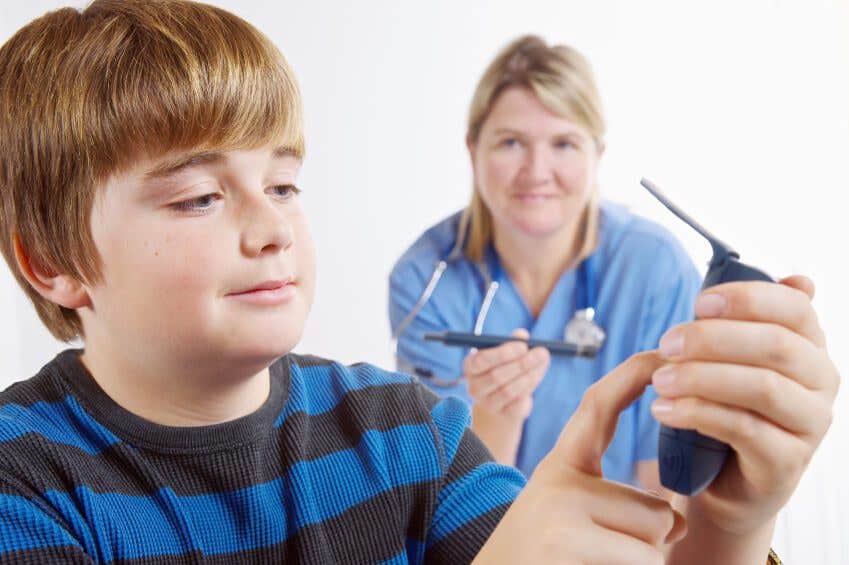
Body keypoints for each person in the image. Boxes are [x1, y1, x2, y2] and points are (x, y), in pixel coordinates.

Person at [0, 2, 837, 563]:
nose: (273, 227)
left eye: (285, 185)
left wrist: (729, 524)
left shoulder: (405, 431)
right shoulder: (23, 483)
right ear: (51, 261)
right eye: (198, 196)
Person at [390, 35, 701, 488]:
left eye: (564, 144)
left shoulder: (655, 270)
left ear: (598, 155)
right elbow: (448, 509)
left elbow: (668, 493)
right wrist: (497, 417)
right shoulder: (425, 281)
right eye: (511, 142)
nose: (536, 171)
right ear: (473, 149)